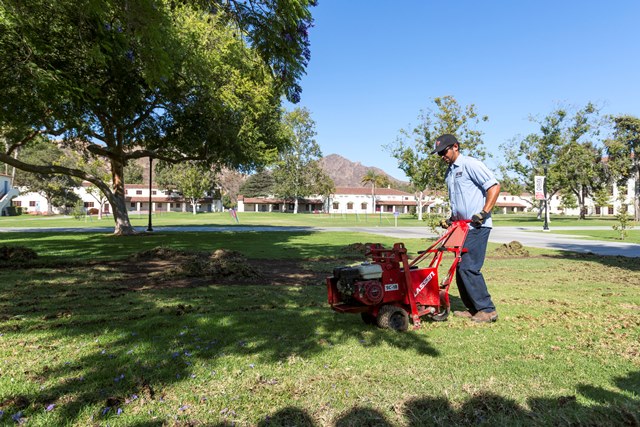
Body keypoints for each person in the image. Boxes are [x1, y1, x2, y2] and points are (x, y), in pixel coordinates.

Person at [432, 134, 500, 323]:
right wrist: (450, 219)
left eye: (443, 152)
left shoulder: (470, 164)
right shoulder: (450, 172)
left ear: (455, 147)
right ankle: (473, 308)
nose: (442, 156)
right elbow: (460, 201)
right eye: (439, 154)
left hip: (477, 225)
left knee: (469, 267)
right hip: (460, 227)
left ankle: (488, 310)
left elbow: (494, 187)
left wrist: (484, 212)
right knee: (459, 267)